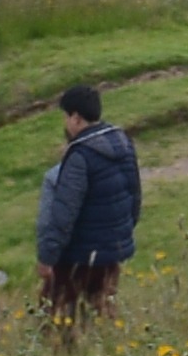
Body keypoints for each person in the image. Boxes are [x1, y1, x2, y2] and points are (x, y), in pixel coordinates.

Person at [32, 78, 143, 326]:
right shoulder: (123, 143)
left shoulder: (80, 155)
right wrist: (120, 235)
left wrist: (47, 257)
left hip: (78, 257)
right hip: (112, 252)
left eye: (66, 117)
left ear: (76, 118)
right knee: (101, 314)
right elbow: (134, 197)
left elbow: (63, 214)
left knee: (57, 319)